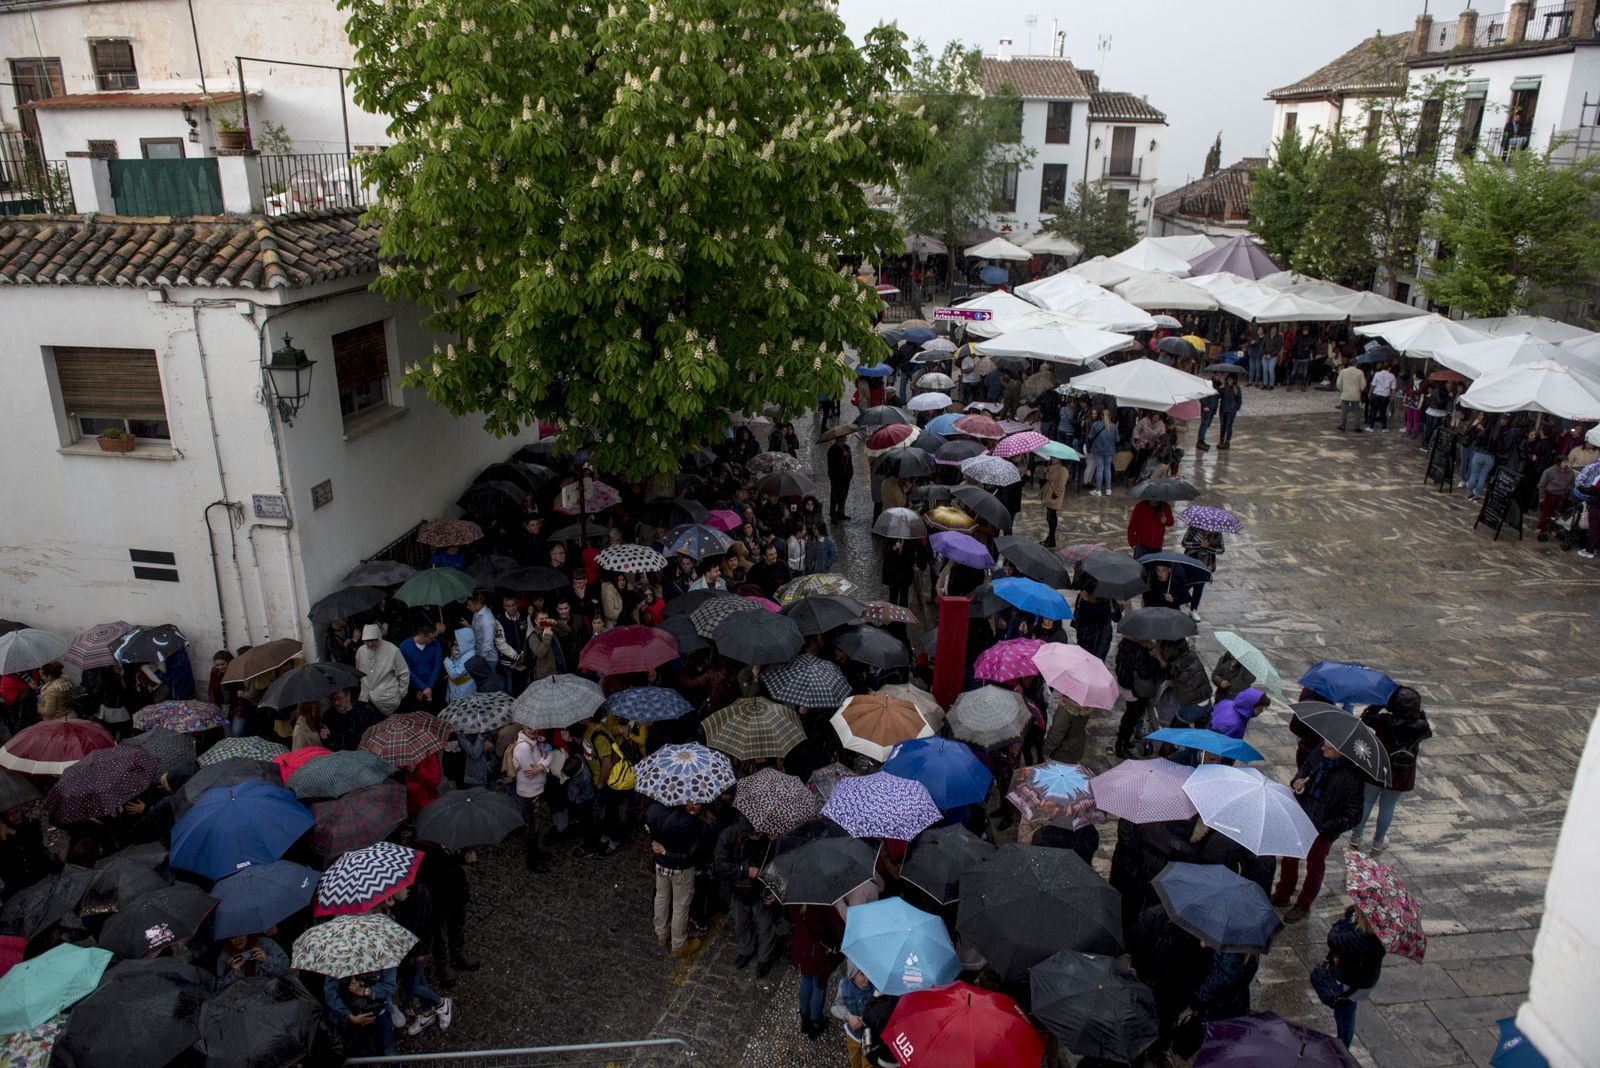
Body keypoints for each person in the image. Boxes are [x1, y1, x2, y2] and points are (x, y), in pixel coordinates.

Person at [1273, 739, 1364, 922]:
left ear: (1341, 751)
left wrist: (1327, 828)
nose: (1323, 749)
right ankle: (1283, 893)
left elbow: (1354, 815)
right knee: (1289, 857)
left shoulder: (1352, 776)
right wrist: (1297, 782)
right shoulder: (1317, 755)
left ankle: (1304, 903)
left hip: (1323, 830)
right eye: (1323, 744)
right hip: (1301, 816)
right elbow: (1302, 772)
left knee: (1314, 865)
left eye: (1329, 747)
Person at [1350, 686, 1431, 854]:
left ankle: (1356, 836)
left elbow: (1366, 717)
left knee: (1367, 801)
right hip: (1401, 772)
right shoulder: (1420, 725)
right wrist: (1421, 714)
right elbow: (1428, 732)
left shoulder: (1385, 720)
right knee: (1388, 806)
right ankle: (1378, 841)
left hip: (1377, 766)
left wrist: (1378, 703)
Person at [716, 816, 780, 975]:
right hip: (738, 890)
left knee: (766, 925)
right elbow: (720, 865)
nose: (760, 835)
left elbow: (779, 865)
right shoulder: (728, 836)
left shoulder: (769, 838)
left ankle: (764, 958)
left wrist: (775, 890)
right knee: (741, 923)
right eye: (757, 834)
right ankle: (746, 950)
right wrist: (745, 871)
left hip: (761, 890)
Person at [646, 801, 711, 957]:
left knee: (661, 897)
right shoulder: (694, 823)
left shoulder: (656, 811)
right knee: (680, 906)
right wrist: (666, 852)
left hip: (661, 865)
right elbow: (689, 856)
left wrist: (662, 852)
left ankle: (661, 935)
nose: (694, 806)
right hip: (681, 870)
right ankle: (678, 945)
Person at [391, 884, 454, 1036]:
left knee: (412, 987)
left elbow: (422, 924)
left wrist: (421, 952)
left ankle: (442, 1002)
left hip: (418, 949)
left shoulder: (418, 893)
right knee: (418, 979)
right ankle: (427, 1012)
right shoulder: (397, 893)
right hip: (408, 949)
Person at [1320, 905, 1386, 1048]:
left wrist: (1343, 922)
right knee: (1347, 1010)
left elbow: (1333, 938)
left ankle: (1342, 1049)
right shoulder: (1380, 934)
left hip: (1351, 984)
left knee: (1345, 1015)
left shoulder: (1360, 939)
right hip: (1364, 981)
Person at [788, 903, 844, 1039]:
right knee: (819, 985)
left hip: (803, 947)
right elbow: (837, 926)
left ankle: (805, 1019)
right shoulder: (822, 905)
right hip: (819, 952)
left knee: (806, 980)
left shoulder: (794, 901)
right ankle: (816, 1022)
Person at [325, 969, 399, 1055]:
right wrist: (350, 1016)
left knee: (389, 1052)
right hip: (352, 1016)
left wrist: (365, 991)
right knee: (363, 1053)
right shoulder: (337, 964)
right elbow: (331, 994)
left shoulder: (384, 961)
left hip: (378, 1011)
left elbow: (390, 986)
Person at [510, 724, 553, 871]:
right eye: (528, 728)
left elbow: (547, 757)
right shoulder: (523, 747)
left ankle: (536, 853)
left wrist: (542, 763)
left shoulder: (533, 741)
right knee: (532, 828)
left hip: (535, 790)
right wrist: (544, 763)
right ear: (522, 726)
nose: (533, 730)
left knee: (534, 825)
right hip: (529, 792)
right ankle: (533, 861)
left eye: (534, 727)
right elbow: (531, 771)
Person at [356, 624, 409, 716]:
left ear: (378, 638)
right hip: (366, 699)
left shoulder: (393, 651)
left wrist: (400, 694)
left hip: (388, 700)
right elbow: (359, 672)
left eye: (372, 640)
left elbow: (404, 673)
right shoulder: (360, 651)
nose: (370, 644)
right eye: (367, 641)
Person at [1180, 525, 1222, 622]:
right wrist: (1200, 544)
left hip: (1205, 564)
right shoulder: (1194, 528)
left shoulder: (1217, 534)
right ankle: (1177, 602)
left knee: (1199, 587)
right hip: (1191, 562)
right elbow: (1184, 543)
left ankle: (1193, 609)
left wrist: (1209, 547)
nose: (1210, 529)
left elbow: (1221, 549)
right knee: (1186, 585)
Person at [214, 934, 288, 988]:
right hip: (243, 998)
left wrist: (266, 960)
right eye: (232, 937)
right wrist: (234, 972)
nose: (238, 940)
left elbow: (285, 969)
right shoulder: (224, 957)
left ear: (248, 934)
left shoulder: (266, 944)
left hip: (270, 993)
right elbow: (220, 987)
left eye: (241, 934)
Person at [398, 625, 442, 711]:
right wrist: (422, 687)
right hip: (413, 687)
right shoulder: (404, 646)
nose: (434, 640)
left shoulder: (436, 644)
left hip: (432, 685)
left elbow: (437, 667)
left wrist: (427, 688)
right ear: (422, 636)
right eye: (431, 638)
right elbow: (407, 670)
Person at [1536, 456, 1575, 541]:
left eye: (1567, 462)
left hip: (1561, 495)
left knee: (1555, 513)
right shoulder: (1549, 471)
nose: (1566, 464)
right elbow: (1541, 485)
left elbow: (1572, 484)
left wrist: (1569, 494)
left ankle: (1551, 527)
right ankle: (1540, 527)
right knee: (1545, 512)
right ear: (1559, 463)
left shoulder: (1570, 472)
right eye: (1564, 462)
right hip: (1549, 493)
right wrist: (1541, 497)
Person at [1040, 457, 1069, 547]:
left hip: (1054, 496)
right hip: (1049, 493)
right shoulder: (1052, 467)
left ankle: (1052, 540)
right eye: (1052, 457)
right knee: (1049, 517)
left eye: (1055, 457)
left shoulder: (1063, 470)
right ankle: (1050, 538)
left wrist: (1055, 495)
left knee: (1051, 517)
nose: (1052, 459)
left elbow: (1061, 486)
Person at [1087, 409, 1118, 496]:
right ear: (1110, 416)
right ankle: (1108, 489)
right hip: (1109, 450)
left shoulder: (1095, 424)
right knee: (1108, 468)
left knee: (1100, 468)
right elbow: (1117, 439)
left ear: (1101, 416)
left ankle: (1098, 490)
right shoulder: (1114, 426)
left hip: (1098, 450)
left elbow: (1090, 436)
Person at [1336, 360, 1366, 432]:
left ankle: (1342, 425)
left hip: (1345, 393)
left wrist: (1342, 389)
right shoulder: (1360, 372)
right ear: (1356, 364)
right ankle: (1357, 426)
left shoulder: (1343, 371)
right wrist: (1360, 390)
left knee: (1344, 411)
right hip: (1356, 394)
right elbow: (1363, 384)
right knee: (1356, 411)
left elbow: (1338, 383)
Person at [1195, 376, 1222, 452]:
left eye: (1220, 375)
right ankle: (1200, 441)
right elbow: (1202, 395)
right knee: (1204, 424)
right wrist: (1205, 405)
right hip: (1207, 408)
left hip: (1212, 408)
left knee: (1207, 424)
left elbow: (1217, 396)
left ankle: (1201, 439)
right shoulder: (1209, 384)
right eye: (1218, 375)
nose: (1219, 377)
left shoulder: (1217, 385)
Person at [1366, 364, 1396, 431]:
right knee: (1383, 412)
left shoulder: (1377, 374)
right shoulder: (1392, 376)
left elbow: (1373, 384)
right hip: (1385, 395)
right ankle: (1384, 428)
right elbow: (1393, 388)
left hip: (1377, 394)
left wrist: (1370, 392)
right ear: (1389, 368)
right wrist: (1393, 396)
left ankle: (1371, 427)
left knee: (1374, 411)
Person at [1216, 374, 1243, 449]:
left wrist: (1236, 408)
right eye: (1228, 380)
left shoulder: (1236, 389)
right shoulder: (1224, 388)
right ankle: (1221, 440)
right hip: (1223, 409)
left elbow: (1239, 399)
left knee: (1228, 425)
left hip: (1231, 410)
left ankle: (1227, 441)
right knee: (1223, 425)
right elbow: (1218, 395)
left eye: (1231, 380)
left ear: (1234, 381)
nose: (1229, 381)